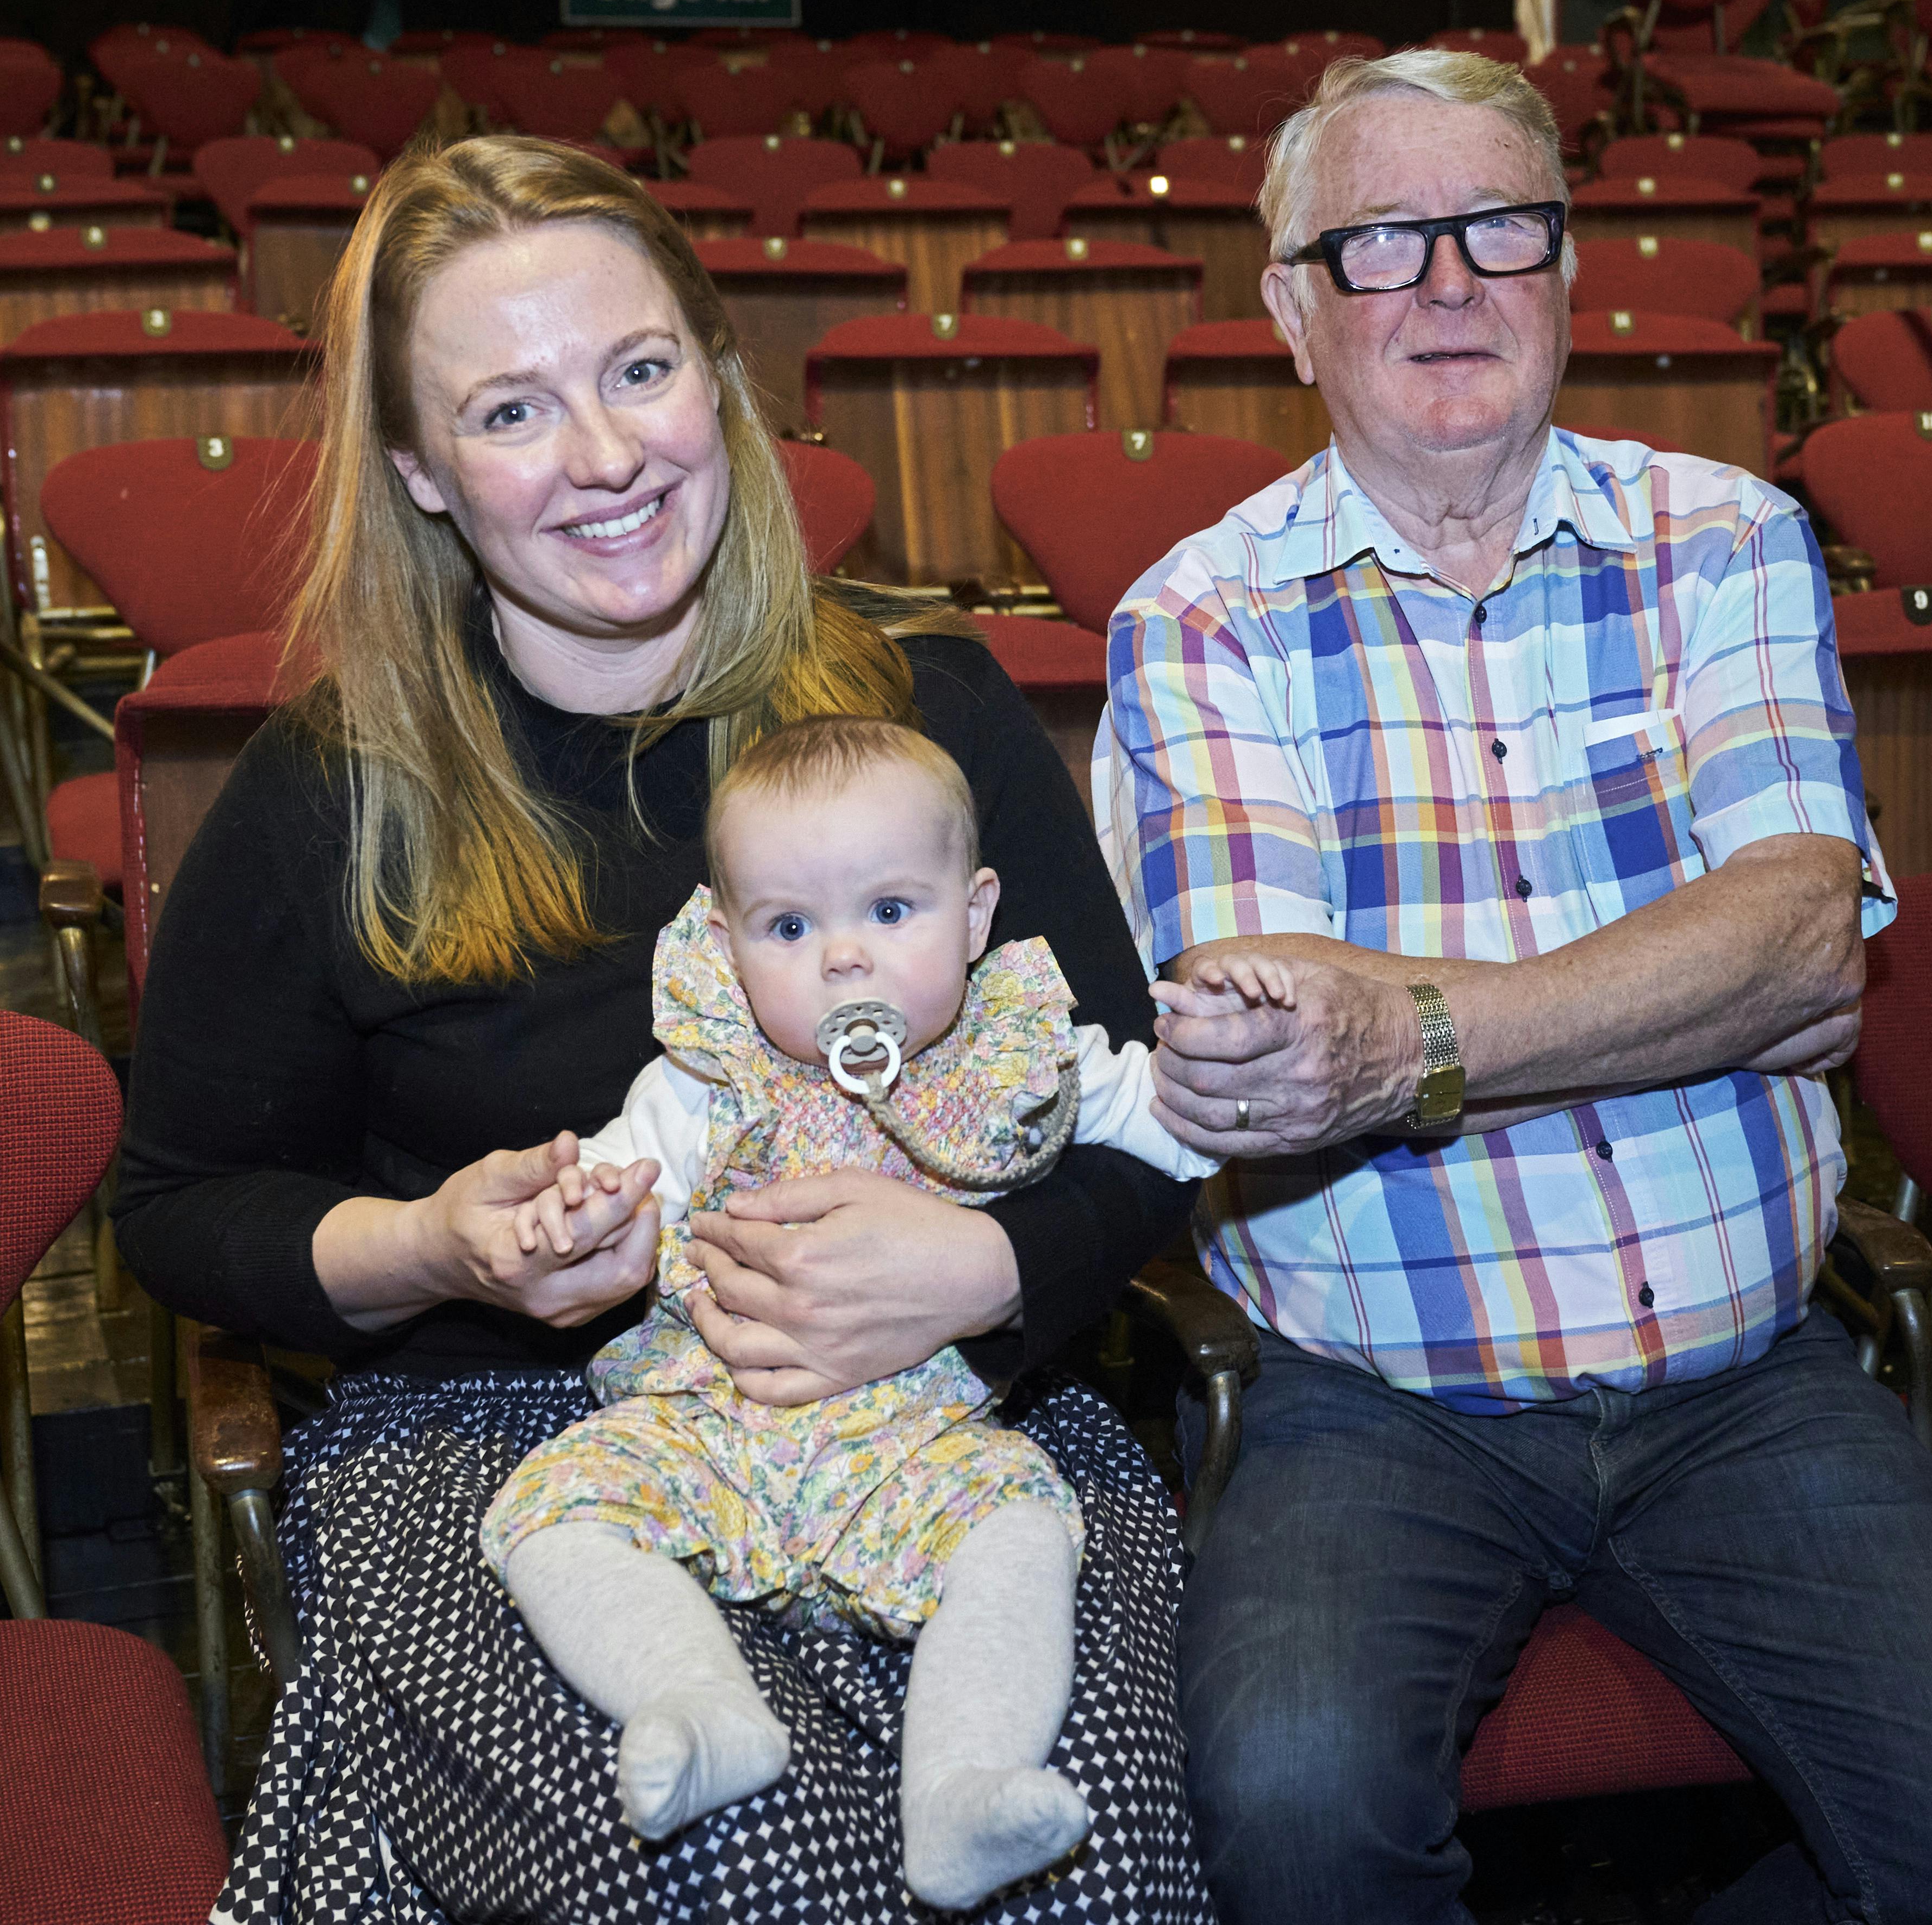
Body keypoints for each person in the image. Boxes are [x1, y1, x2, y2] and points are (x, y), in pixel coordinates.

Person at [1094, 51, 1932, 1923]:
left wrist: (1414, 1032)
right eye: (1378, 240)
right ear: (1285, 306)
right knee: (1292, 1819)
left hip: (1748, 1373)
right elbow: (1272, 1048)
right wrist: (1695, 982)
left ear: (1567, 263)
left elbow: (1807, 946)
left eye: (1500, 224)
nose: (1446, 280)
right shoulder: (1196, 615)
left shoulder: (1724, 535)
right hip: (1373, 1395)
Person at [115, 135, 1212, 1923]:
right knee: (744, 1861)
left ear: (716, 372)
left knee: (1075, 1864)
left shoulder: (928, 715)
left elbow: (1120, 1124)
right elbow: (177, 1207)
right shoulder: (333, 793)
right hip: (498, 1444)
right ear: (418, 468)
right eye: (512, 410)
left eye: (639, 370)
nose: (610, 456)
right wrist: (429, 1245)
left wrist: (982, 1262)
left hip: (953, 1424)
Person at [474, 715, 1279, 1910]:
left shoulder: (1025, 1059)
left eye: (890, 911)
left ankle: (962, 1786)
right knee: (547, 1513)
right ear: (730, 939)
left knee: (1021, 1530)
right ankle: (693, 1702)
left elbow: (1175, 1127)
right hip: (711, 1422)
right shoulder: (703, 1077)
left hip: (913, 1446)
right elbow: (622, 1182)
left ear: (974, 912)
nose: (843, 958)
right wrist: (579, 1213)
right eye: (789, 927)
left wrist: (1231, 1054)